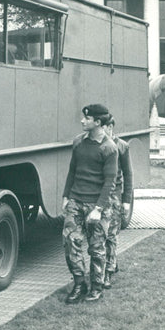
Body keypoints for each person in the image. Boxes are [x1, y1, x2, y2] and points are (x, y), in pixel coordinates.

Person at [62, 103, 118, 303]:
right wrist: (66, 196)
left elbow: (110, 182)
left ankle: (97, 286)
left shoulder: (109, 148)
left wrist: (98, 209)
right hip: (76, 200)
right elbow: (72, 170)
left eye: (86, 118)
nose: (82, 121)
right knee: (71, 242)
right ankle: (79, 283)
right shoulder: (78, 142)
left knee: (96, 248)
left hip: (97, 205)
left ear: (98, 122)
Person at [103, 116, 133, 289]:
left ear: (111, 127)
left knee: (111, 233)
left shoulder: (122, 146)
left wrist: (126, 200)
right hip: (100, 195)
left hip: (115, 195)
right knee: (101, 233)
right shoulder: (100, 146)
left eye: (105, 127)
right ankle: (109, 263)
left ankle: (108, 270)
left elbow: (128, 175)